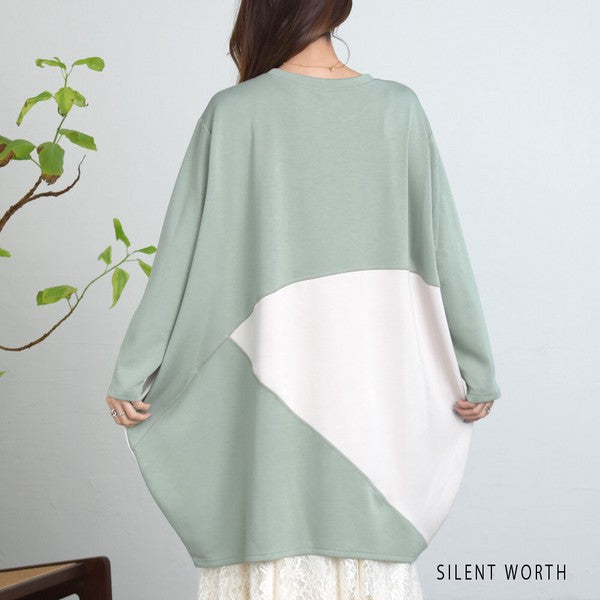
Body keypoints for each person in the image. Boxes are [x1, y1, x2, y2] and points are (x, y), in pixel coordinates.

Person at [105, 1, 500, 598]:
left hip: (266, 409)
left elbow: (179, 255)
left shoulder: (233, 113)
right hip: (372, 416)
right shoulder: (399, 109)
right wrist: (477, 368)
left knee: (266, 537)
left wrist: (133, 370)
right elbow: (444, 248)